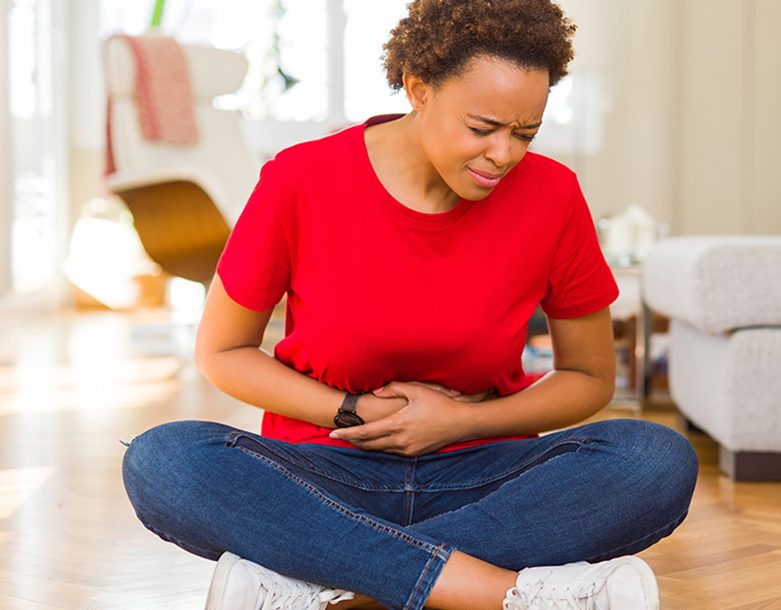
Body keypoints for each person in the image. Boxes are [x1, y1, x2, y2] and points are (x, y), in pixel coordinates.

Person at [119, 0, 699, 608]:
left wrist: (463, 422)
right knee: (164, 460)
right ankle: (502, 592)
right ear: (419, 89)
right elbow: (222, 352)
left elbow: (589, 375)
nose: (504, 154)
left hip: (488, 477)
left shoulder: (553, 197)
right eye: (482, 128)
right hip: (326, 474)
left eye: (525, 132)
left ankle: (330, 584)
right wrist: (352, 412)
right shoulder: (300, 180)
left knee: (653, 459)